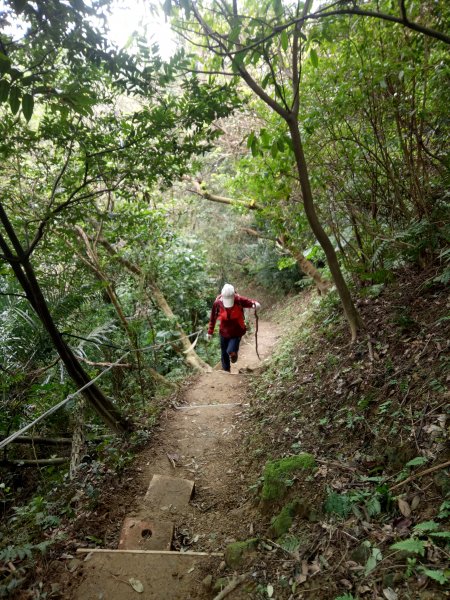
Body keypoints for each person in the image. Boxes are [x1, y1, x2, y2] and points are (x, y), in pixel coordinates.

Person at [207, 283, 261, 372]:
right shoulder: (217, 303)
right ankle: (226, 370)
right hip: (224, 331)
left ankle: (233, 354)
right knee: (223, 352)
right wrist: (210, 331)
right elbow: (213, 317)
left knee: (230, 350)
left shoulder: (238, 299)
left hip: (237, 330)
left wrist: (255, 304)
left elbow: (249, 302)